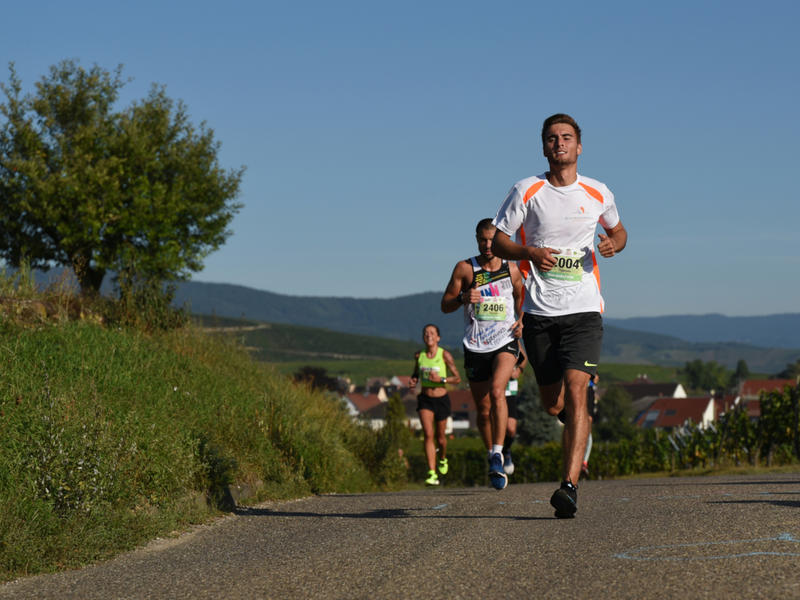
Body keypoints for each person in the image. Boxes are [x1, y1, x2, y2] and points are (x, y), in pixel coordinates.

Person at [491, 113, 627, 518]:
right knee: (554, 403)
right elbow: (499, 240)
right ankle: (576, 417)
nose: (559, 144)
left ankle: (569, 486)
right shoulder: (526, 191)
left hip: (584, 309)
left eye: (567, 138)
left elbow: (620, 232)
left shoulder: (598, 191)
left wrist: (613, 245)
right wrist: (529, 252)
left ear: (579, 146)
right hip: (539, 312)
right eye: (552, 138)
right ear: (543, 146)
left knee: (578, 388)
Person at [441, 219, 525, 490]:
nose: (487, 246)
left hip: (505, 342)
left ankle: (499, 453)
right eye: (483, 240)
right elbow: (445, 305)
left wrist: (522, 320)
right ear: (476, 240)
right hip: (476, 346)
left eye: (492, 240)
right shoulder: (465, 268)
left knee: (498, 392)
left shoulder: (511, 268)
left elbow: (523, 296)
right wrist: (462, 299)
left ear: (499, 240)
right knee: (484, 408)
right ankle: (491, 452)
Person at [408, 323, 462, 486]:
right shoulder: (419, 355)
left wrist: (441, 380)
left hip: (442, 399)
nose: (428, 335)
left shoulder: (445, 355)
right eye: (426, 333)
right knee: (428, 434)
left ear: (438, 337)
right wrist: (414, 380)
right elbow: (416, 373)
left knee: (440, 438)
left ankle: (443, 458)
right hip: (425, 399)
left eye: (432, 333)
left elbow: (457, 378)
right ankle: (432, 473)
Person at [502, 347, 527, 475]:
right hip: (494, 391)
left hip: (509, 391)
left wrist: (519, 370)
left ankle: (506, 451)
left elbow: (524, 358)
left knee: (511, 428)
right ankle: (494, 460)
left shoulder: (513, 338)